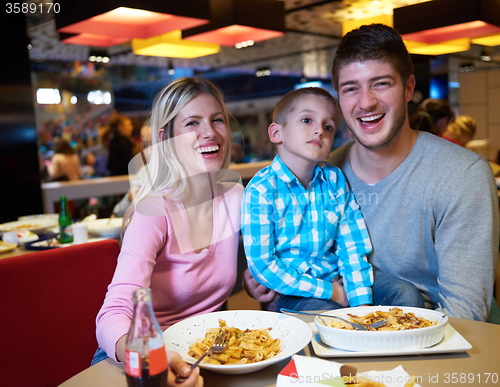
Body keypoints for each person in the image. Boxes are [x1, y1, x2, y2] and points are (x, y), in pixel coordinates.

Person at [244, 23, 498, 322]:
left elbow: (465, 316)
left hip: (438, 342)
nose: (366, 102)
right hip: (349, 325)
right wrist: (267, 277)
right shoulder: (323, 172)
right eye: (351, 88)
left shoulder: (462, 175)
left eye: (381, 83)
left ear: (409, 87)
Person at [93, 78, 243, 387]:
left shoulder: (234, 196)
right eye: (192, 123)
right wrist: (151, 358)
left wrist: (255, 280)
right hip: (136, 360)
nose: (210, 132)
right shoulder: (155, 211)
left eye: (217, 120)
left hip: (203, 355)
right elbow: (115, 311)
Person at [241, 87, 374, 312]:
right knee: (326, 317)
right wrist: (331, 292)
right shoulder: (261, 190)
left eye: (328, 126)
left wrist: (362, 305)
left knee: (402, 293)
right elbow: (264, 267)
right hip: (289, 292)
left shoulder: (335, 179)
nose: (319, 130)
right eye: (306, 120)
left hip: (338, 280)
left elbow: (352, 244)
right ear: (276, 133)